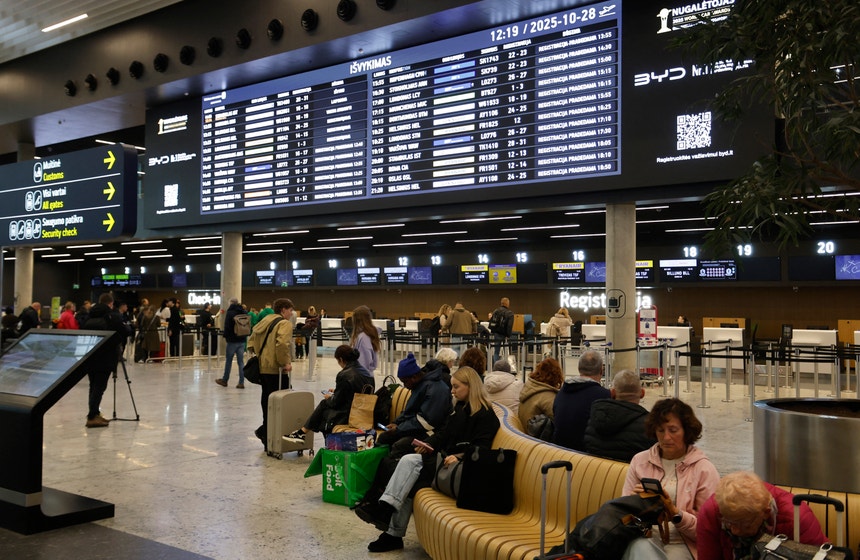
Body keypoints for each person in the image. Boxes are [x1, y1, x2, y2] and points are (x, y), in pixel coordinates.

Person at [354, 366, 500, 553]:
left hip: (463, 469)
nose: (452, 391)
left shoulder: (485, 416)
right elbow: (444, 434)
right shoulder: (462, 408)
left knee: (408, 466)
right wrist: (428, 443)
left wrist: (459, 456)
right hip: (447, 462)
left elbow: (482, 448)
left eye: (456, 387)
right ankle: (389, 524)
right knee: (410, 473)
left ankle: (386, 518)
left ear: (471, 386)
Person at [622, 398, 721, 560]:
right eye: (660, 430)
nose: (666, 437)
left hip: (684, 544)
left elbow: (709, 531)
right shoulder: (640, 461)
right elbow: (624, 515)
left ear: (687, 431)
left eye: (673, 430)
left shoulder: (703, 469)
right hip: (645, 537)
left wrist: (676, 514)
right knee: (638, 547)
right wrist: (634, 502)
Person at [697, 471, 827, 560]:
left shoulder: (797, 518)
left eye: (745, 524)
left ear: (765, 513)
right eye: (729, 522)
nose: (734, 530)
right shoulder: (712, 512)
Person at [285, 345, 371, 442]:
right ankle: (302, 432)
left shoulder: (344, 375)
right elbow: (356, 392)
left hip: (347, 413)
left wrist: (329, 397)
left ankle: (302, 432)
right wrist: (337, 391)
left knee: (324, 405)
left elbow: (336, 402)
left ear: (341, 359)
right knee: (323, 407)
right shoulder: (367, 373)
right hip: (362, 410)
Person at [376, 352, 452, 448]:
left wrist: (399, 429)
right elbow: (410, 412)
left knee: (400, 445)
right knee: (384, 438)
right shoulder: (421, 385)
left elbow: (426, 422)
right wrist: (396, 422)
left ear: (414, 377)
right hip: (418, 428)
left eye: (405, 382)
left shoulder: (436, 389)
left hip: (431, 432)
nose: (404, 386)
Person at [248, 297, 294, 450]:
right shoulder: (284, 323)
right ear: (283, 310)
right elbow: (282, 344)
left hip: (263, 368)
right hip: (277, 370)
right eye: (290, 310)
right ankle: (267, 433)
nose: (291, 313)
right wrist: (285, 363)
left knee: (267, 403)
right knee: (283, 403)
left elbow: (251, 342)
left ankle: (267, 436)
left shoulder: (265, 321)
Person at [584, 369, 657, 462]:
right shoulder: (649, 426)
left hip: (595, 473)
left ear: (613, 393)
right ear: (642, 393)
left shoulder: (594, 419)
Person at [82, 293, 128, 428]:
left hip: (90, 355)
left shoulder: (90, 315)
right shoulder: (112, 316)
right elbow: (123, 332)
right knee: (100, 387)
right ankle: (92, 416)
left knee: (93, 385)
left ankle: (94, 413)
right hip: (106, 356)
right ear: (111, 303)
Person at [552, 349, 611, 451]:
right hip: (586, 456)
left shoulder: (562, 392)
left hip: (559, 451)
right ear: (601, 371)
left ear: (579, 369)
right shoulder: (603, 396)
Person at [518, 357, 564, 428]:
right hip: (535, 437)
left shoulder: (529, 387)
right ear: (556, 375)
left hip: (523, 433)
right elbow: (560, 422)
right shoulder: (548, 397)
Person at [218, 297, 248, 388]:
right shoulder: (244, 312)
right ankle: (241, 382)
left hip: (232, 340)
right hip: (242, 339)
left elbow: (227, 326)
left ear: (231, 303)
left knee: (229, 361)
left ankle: (225, 380)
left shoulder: (230, 313)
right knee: (241, 362)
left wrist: (226, 336)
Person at [350, 305, 380, 382]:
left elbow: (364, 362)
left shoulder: (363, 337)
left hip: (362, 378)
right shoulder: (367, 334)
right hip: (366, 377)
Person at [489, 297, 514, 363]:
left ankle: (496, 366)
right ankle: (505, 366)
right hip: (505, 334)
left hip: (496, 333)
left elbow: (491, 322)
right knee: (506, 351)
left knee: (496, 351)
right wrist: (508, 335)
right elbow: (509, 326)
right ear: (507, 303)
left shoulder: (495, 311)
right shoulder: (509, 313)